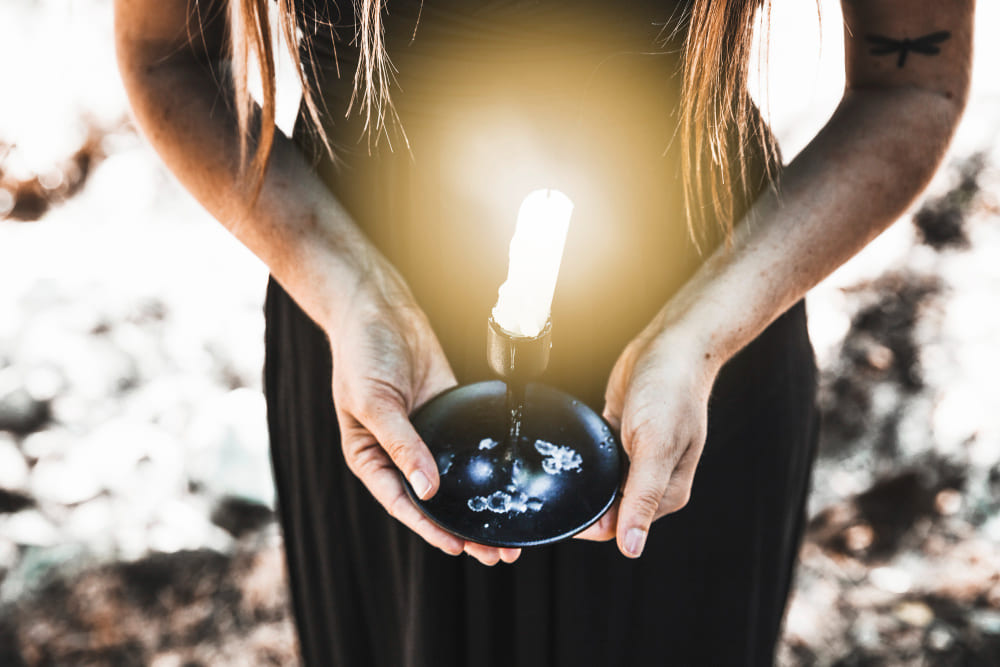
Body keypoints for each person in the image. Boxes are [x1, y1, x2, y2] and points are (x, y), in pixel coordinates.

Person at [114, 0, 974, 664]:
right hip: (368, 348)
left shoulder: (705, 340)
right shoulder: (356, 314)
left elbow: (912, 82)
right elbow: (167, 57)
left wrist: (700, 335)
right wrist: (348, 291)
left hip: (711, 334)